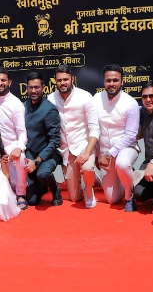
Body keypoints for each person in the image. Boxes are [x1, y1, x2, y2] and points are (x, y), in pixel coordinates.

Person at [47, 64, 99, 207]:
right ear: (55, 81)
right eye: (59, 80)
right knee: (75, 197)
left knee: (87, 168)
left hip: (83, 146)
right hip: (65, 150)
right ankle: (91, 178)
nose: (62, 83)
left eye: (66, 79)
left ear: (72, 79)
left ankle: (89, 189)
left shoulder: (85, 97)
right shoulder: (51, 99)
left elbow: (95, 129)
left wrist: (87, 153)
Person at [93, 64, 140, 211]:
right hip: (104, 151)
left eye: (115, 80)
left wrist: (110, 153)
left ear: (122, 81)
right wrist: (97, 153)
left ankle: (129, 196)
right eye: (108, 80)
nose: (112, 84)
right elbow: (93, 128)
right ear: (104, 82)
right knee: (112, 199)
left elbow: (131, 135)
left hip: (126, 148)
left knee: (122, 163)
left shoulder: (130, 103)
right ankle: (128, 178)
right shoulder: (95, 99)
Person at [0, 67, 29, 209]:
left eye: (3, 80)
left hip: (10, 146)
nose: (0, 83)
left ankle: (21, 194)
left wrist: (18, 148)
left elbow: (22, 132)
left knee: (21, 157)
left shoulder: (16, 103)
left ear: (9, 82)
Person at [22, 72, 62, 207]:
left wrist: (37, 161)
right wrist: (28, 158)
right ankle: (41, 186)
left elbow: (55, 141)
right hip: (29, 156)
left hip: (46, 156)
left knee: (43, 174)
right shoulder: (24, 106)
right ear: (26, 88)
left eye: (37, 87)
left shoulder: (49, 110)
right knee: (32, 201)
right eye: (30, 87)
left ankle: (55, 188)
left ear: (43, 88)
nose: (33, 91)